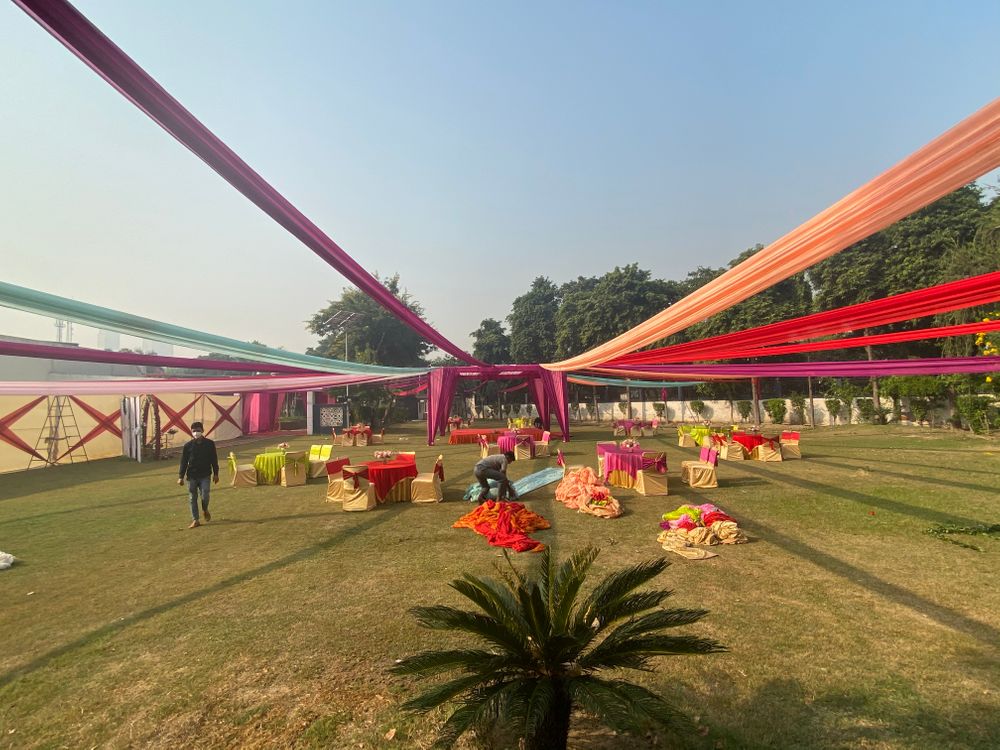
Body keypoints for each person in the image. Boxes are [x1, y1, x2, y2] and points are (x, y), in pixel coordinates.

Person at [177, 421, 219, 528]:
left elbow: (214, 459)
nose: (196, 433)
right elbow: (183, 461)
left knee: (205, 494)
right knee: (192, 498)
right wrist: (180, 477)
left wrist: (216, 473)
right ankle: (195, 520)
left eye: (198, 430)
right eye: (194, 431)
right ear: (191, 432)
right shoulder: (188, 446)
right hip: (191, 476)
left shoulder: (209, 444)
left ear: (203, 431)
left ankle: (205, 509)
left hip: (205, 474)